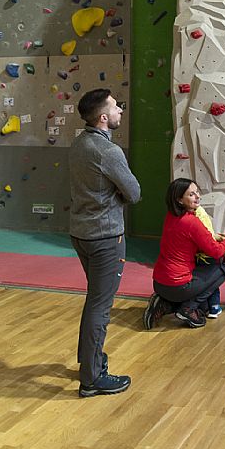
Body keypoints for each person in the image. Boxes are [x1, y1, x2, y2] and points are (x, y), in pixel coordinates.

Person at [69, 89, 141, 398]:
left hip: (81, 234)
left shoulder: (78, 144)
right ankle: (92, 378)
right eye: (115, 107)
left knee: (95, 300)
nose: (120, 111)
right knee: (100, 305)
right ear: (103, 117)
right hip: (106, 238)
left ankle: (90, 360)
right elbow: (134, 192)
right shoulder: (108, 152)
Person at [143, 179, 225, 330]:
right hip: (178, 287)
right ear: (179, 200)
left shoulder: (170, 216)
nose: (197, 197)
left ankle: (164, 303)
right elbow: (216, 251)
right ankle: (187, 309)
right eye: (191, 194)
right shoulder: (192, 222)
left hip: (158, 283)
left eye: (197, 192)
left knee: (204, 305)